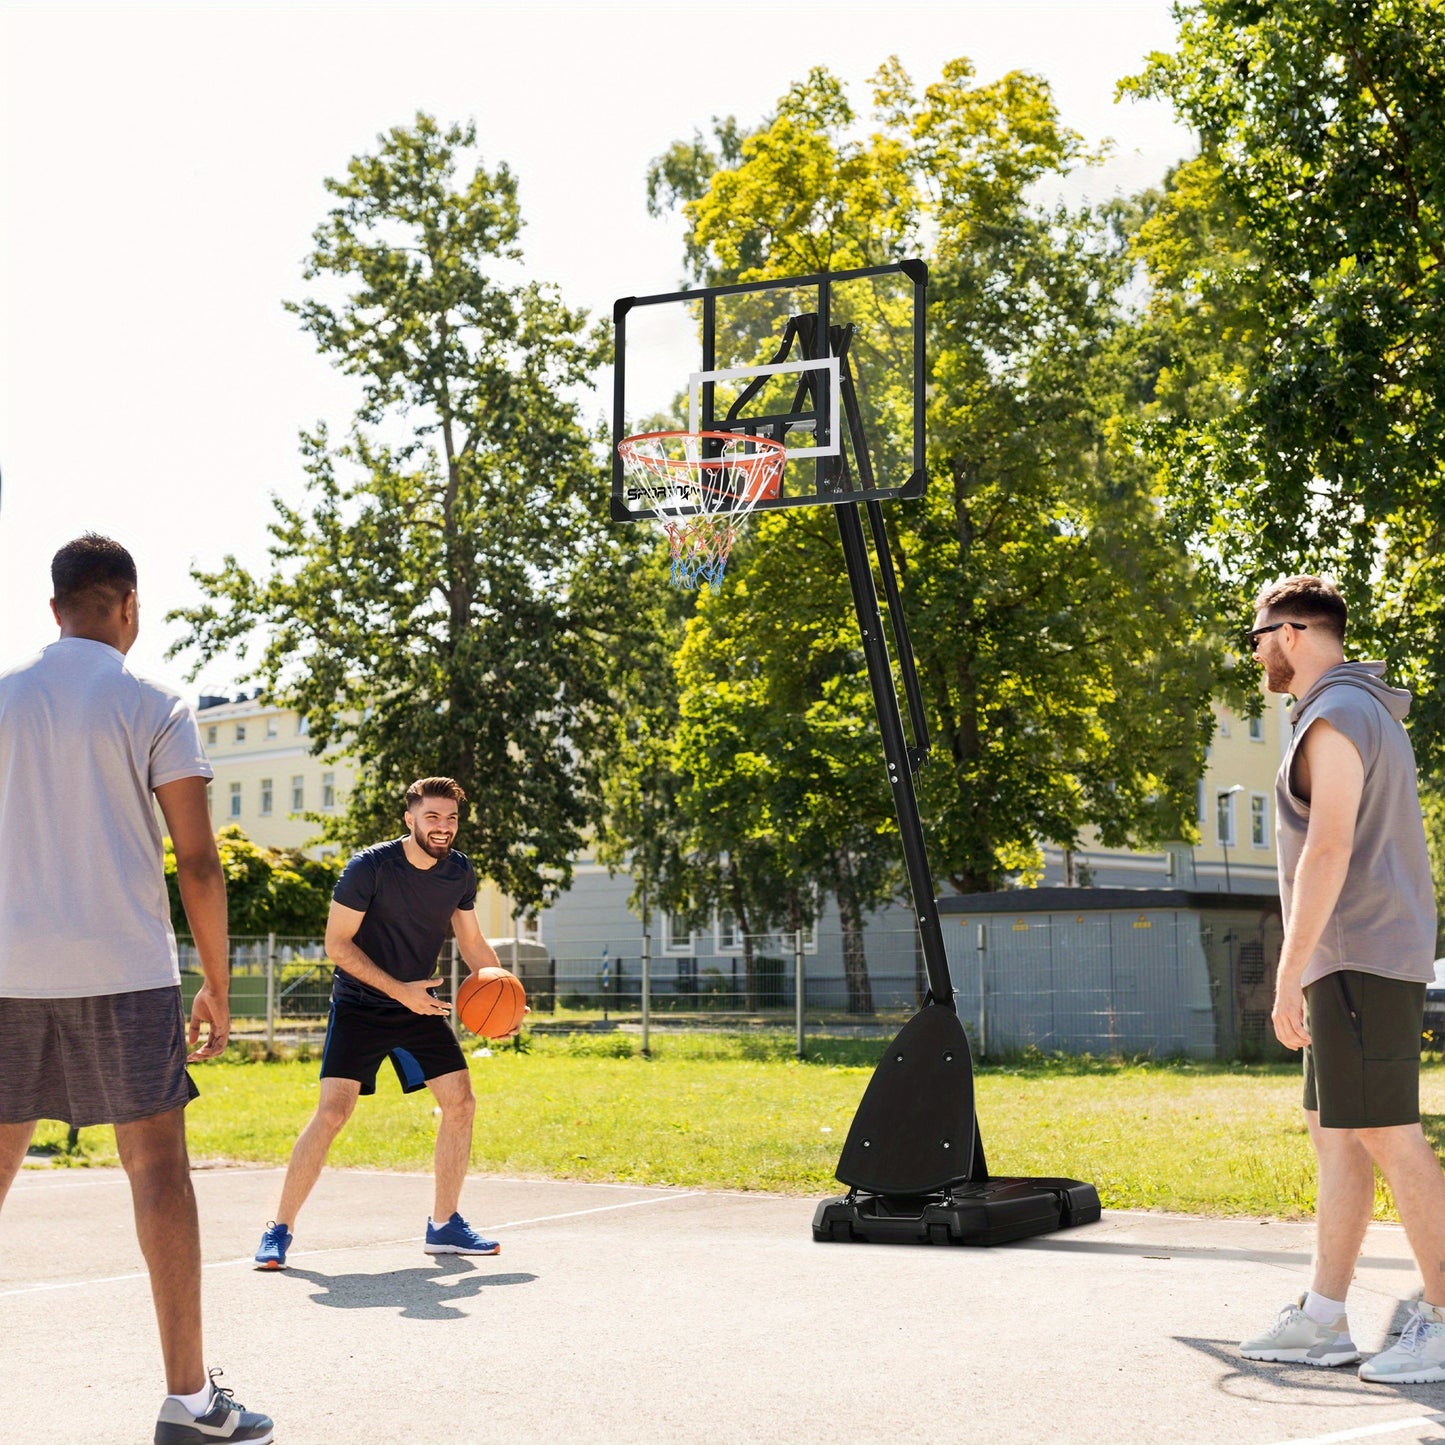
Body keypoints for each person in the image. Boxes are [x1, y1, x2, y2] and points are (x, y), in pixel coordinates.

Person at [0, 534, 273, 1444]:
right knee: (156, 1167)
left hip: (6, 969)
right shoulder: (157, 703)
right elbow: (197, 859)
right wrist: (218, 987)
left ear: (54, 608)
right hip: (124, 970)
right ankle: (189, 1403)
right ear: (128, 606)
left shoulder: (1, 701)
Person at [1238, 575, 1445, 1383]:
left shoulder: (1335, 714)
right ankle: (1324, 1315)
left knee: (1388, 1135)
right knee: (1339, 1136)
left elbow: (1328, 849)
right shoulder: (1363, 711)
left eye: (1254, 637)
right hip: (1349, 955)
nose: (1253, 652)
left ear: (1289, 633)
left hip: (1355, 951)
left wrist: (1285, 974)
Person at [254, 776, 514, 1269]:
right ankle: (278, 1228)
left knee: (460, 1102)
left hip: (419, 1004)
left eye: (451, 818)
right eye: (432, 817)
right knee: (333, 1112)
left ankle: (444, 1226)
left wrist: (505, 991)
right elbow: (337, 945)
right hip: (360, 1003)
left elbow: (473, 942)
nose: (443, 827)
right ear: (409, 819)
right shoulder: (369, 867)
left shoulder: (458, 872)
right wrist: (400, 992)